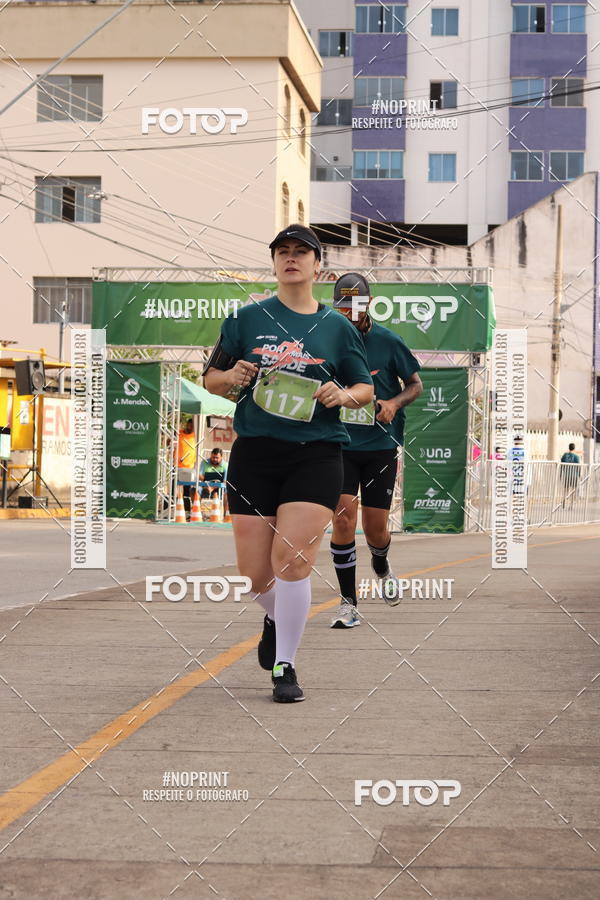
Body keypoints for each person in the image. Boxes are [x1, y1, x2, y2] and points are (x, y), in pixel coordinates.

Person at [204, 225, 373, 702]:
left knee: (294, 561)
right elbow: (212, 378)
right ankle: (276, 616)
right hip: (256, 452)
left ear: (318, 265)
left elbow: (365, 389)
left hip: (316, 453)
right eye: (283, 252)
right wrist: (231, 374)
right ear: (274, 262)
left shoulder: (337, 326)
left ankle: (286, 665)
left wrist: (342, 394)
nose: (292, 258)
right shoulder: (244, 319)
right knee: (256, 575)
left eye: (302, 252)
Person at [328, 273, 422, 628]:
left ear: (369, 304)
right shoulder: (329, 342)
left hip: (380, 446)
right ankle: (348, 604)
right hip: (340, 443)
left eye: (357, 304)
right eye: (344, 305)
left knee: (375, 529)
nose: (350, 312)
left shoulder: (388, 341)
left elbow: (415, 384)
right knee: (342, 518)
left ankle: (381, 562)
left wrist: (395, 403)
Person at [176, 418, 197, 517]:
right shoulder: (178, 434)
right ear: (187, 424)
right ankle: (174, 510)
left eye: (193, 426)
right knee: (174, 489)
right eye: (190, 425)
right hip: (176, 466)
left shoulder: (196, 436)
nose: (192, 427)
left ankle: (187, 512)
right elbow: (169, 442)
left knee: (187, 491)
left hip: (189, 468)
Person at [560, 442, 581, 506]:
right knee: (573, 490)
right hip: (574, 475)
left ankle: (563, 499)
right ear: (574, 448)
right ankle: (571, 504)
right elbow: (578, 467)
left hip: (566, 475)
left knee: (566, 488)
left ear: (568, 448)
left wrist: (561, 473)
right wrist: (579, 475)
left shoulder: (564, 455)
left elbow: (561, 465)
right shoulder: (576, 456)